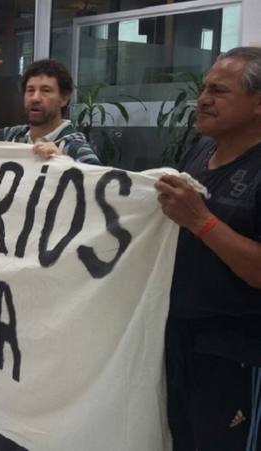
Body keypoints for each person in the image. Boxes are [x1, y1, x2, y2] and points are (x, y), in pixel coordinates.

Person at [0, 48, 100, 451]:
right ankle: (17, 433)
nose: (36, 98)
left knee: (44, 360)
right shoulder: (15, 139)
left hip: (51, 275)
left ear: (65, 98)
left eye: (47, 91)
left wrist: (68, 165)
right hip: (13, 268)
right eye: (31, 90)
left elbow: (100, 188)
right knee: (14, 355)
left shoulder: (75, 143)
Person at [155, 46, 261, 451]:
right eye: (203, 88)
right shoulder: (201, 153)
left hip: (238, 351)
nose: (202, 99)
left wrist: (202, 220)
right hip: (182, 338)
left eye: (219, 91)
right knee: (183, 438)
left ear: (258, 102)